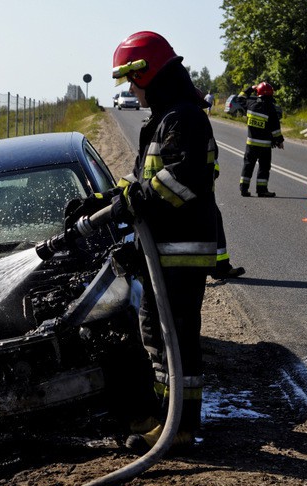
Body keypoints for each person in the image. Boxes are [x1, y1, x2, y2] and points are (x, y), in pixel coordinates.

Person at [94, 30, 219, 453]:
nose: (131, 90)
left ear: (148, 73)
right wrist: (104, 200)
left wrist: (134, 201)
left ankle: (180, 428)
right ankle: (166, 417)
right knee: (158, 334)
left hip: (181, 250)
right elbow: (141, 181)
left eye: (133, 80)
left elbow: (183, 181)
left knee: (177, 338)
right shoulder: (165, 119)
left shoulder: (184, 118)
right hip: (163, 250)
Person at [240, 82, 284, 197]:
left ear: (258, 92)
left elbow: (240, 98)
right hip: (264, 146)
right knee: (264, 167)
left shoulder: (250, 103)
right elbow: (275, 128)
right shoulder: (270, 108)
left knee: (248, 165)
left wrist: (250, 88)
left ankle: (243, 189)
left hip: (251, 144)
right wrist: (279, 141)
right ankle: (262, 190)